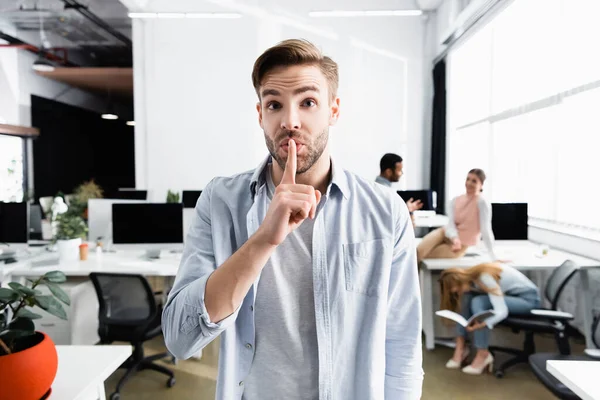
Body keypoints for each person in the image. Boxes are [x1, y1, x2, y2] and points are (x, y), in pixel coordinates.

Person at [162, 39, 423, 399]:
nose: (290, 121)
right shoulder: (222, 201)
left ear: (334, 110)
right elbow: (180, 338)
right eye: (274, 105)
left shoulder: (384, 210)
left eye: (308, 102)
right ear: (260, 115)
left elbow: (402, 341)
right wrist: (262, 241)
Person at [438, 262, 540, 374]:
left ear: (460, 280)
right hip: (511, 296)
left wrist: (484, 323)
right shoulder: (472, 277)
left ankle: (483, 354)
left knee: (477, 301)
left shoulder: (484, 277)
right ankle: (460, 348)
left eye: (457, 290)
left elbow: (502, 311)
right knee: (467, 297)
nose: (457, 293)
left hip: (528, 300)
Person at [417, 168, 495, 263]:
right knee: (417, 252)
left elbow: (485, 229)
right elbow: (451, 224)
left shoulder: (482, 203)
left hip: (461, 244)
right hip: (445, 233)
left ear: (481, 185)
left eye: (474, 181)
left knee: (426, 258)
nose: (469, 183)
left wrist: (493, 256)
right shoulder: (455, 200)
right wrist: (455, 238)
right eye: (468, 179)